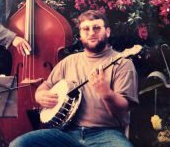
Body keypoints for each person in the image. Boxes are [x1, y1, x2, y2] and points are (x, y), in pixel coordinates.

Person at [10, 10, 139, 147]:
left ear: (107, 32)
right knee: (19, 144)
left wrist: (106, 93)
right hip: (67, 133)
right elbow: (46, 85)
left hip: (106, 133)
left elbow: (122, 110)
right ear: (81, 35)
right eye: (86, 29)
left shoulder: (122, 64)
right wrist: (40, 95)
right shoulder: (69, 61)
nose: (91, 33)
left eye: (96, 28)